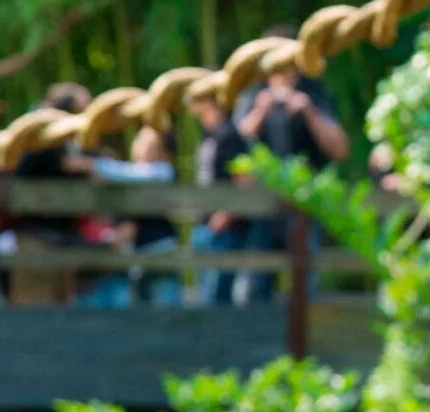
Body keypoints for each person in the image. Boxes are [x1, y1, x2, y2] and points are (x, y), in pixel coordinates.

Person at [232, 26, 350, 302]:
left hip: (304, 208)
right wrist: (261, 110)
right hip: (261, 209)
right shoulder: (252, 94)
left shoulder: (313, 91)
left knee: (307, 287)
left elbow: (340, 149)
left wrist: (307, 110)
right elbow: (233, 150)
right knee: (250, 290)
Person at [76, 126, 182, 308]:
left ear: (165, 154)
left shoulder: (161, 171)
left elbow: (124, 173)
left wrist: (91, 164)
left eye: (150, 145)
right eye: (140, 142)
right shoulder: (135, 178)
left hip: (161, 250)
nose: (141, 148)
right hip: (140, 254)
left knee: (168, 310)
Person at [7, 83, 92, 306]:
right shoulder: (36, 135)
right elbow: (20, 174)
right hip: (36, 235)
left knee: (62, 307)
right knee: (33, 307)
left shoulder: (69, 141)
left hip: (63, 237)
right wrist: (63, 164)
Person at [191, 96, 251, 306]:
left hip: (223, 228)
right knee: (204, 294)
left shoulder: (231, 135)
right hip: (204, 223)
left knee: (217, 296)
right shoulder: (209, 135)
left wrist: (225, 215)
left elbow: (244, 181)